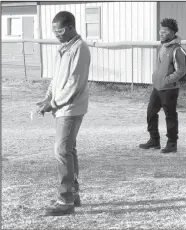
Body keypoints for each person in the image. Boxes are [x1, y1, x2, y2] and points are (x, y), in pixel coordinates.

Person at [37, 11, 91, 215]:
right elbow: (56, 79)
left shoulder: (80, 49)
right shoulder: (63, 48)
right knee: (69, 150)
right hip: (62, 106)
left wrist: (55, 102)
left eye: (59, 30)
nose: (56, 34)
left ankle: (65, 200)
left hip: (71, 108)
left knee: (61, 151)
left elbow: (74, 84)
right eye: (54, 31)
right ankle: (73, 194)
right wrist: (47, 98)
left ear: (70, 27)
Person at [139, 18, 186, 154]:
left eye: (164, 31)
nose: (161, 33)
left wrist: (167, 80)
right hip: (158, 87)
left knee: (170, 116)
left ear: (172, 33)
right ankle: (154, 140)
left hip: (170, 89)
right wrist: (156, 77)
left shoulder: (177, 50)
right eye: (161, 30)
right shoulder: (161, 47)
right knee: (150, 113)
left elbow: (181, 71)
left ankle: (172, 143)